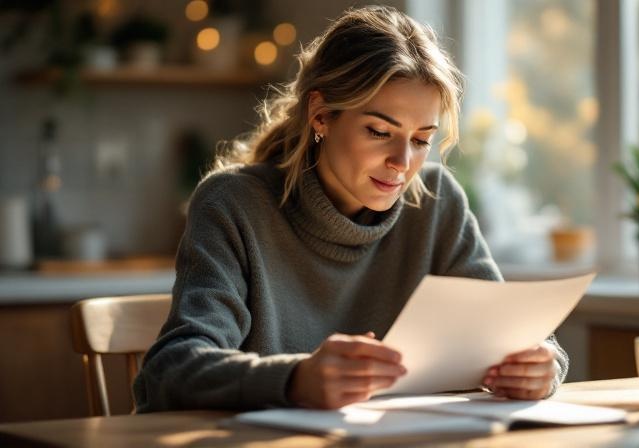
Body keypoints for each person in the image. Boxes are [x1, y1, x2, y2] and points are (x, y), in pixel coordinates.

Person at [134, 5, 568, 412]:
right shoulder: (234, 204)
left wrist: (542, 364)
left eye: (421, 140)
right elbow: (170, 370)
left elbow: (517, 335)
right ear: (321, 115)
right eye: (380, 131)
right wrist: (295, 380)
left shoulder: (437, 203)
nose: (403, 163)